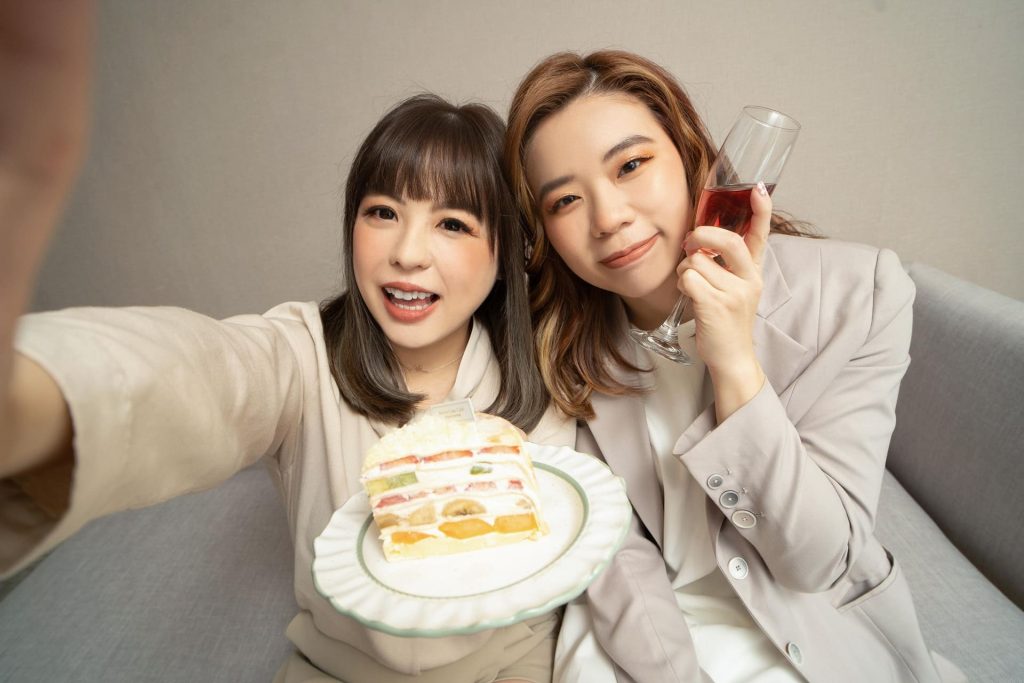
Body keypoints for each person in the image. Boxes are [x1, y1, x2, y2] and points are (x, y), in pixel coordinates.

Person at [0, 5, 573, 682]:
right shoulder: (303, 354)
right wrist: (34, 398)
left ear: (504, 252)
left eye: (451, 223)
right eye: (382, 212)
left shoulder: (546, 370)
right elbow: (208, 375)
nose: (407, 252)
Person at [503, 50, 966, 683]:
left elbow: (818, 561)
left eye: (631, 165)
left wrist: (734, 361)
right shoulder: (558, 339)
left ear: (692, 155)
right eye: (564, 200)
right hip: (645, 626)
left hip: (808, 630)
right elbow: (612, 548)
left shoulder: (860, 295)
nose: (608, 218)